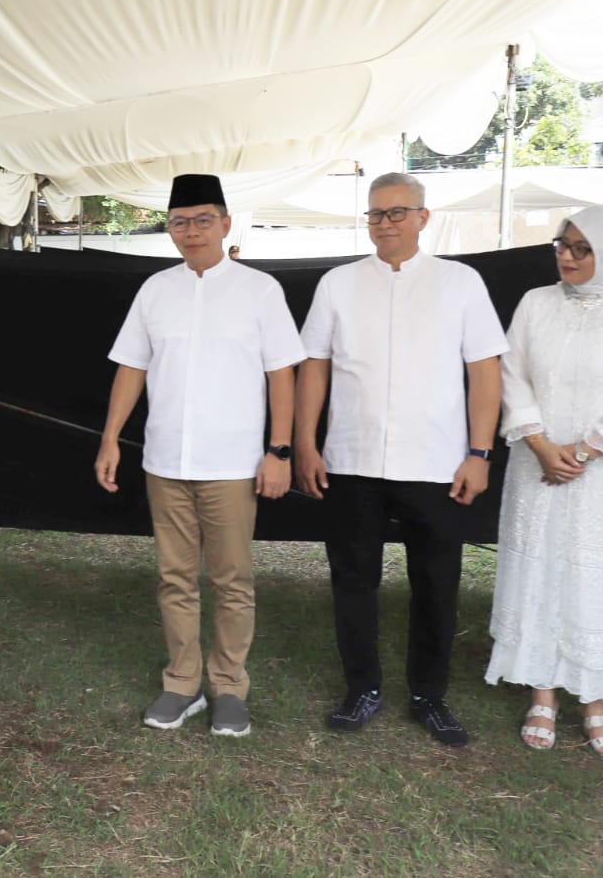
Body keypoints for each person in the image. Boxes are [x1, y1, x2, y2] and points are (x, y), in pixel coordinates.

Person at [294, 172, 506, 747]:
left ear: (422, 217)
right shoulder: (338, 283)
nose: (385, 224)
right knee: (353, 578)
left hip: (436, 461)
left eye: (396, 213)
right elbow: (314, 364)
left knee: (436, 581)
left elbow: (485, 371)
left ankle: (429, 695)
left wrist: (480, 453)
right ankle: (361, 686)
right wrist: (306, 442)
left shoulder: (459, 283)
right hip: (352, 456)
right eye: (375, 214)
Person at [96, 173, 304, 737]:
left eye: (202, 220)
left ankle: (230, 688)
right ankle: (181, 684)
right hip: (165, 461)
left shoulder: (260, 291)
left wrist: (279, 450)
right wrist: (111, 437)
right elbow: (131, 367)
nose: (191, 232)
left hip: (233, 464)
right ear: (170, 228)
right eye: (180, 222)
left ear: (226, 223)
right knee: (174, 577)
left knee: (233, 579)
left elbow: (282, 374)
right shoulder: (155, 290)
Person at [486, 206, 603, 760]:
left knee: (597, 577)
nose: (565, 256)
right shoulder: (534, 304)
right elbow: (511, 374)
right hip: (537, 465)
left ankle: (595, 698)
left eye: (580, 248)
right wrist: (543, 445)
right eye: (561, 244)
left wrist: (587, 449)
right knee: (541, 566)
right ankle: (541, 689)